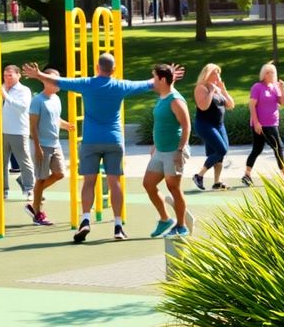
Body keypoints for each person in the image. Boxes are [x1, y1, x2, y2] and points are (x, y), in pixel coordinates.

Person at [23, 54, 183, 243]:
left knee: (89, 182)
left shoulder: (87, 83)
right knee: (114, 182)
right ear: (113, 70)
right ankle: (118, 225)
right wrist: (169, 75)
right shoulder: (120, 86)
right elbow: (148, 83)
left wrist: (39, 74)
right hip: (113, 140)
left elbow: (59, 81)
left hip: (91, 140)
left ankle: (85, 220)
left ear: (97, 67)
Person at [144, 64, 192, 238]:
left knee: (173, 188)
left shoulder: (175, 100)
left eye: (154, 78)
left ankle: (181, 226)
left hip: (173, 151)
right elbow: (161, 124)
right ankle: (165, 219)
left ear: (162, 80)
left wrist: (180, 151)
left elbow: (186, 126)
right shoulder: (163, 96)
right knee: (148, 184)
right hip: (160, 151)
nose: (152, 81)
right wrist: (155, 145)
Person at [25, 67, 71, 225]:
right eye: (54, 80)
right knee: (40, 178)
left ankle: (35, 199)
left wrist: (67, 125)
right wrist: (37, 147)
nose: (58, 83)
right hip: (43, 145)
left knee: (60, 173)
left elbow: (56, 119)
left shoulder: (56, 99)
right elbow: (33, 126)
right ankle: (37, 213)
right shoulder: (38, 100)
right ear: (45, 81)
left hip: (55, 144)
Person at [242, 62, 284, 186]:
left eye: (273, 72)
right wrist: (256, 123)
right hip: (261, 125)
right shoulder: (257, 87)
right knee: (274, 148)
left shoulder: (275, 87)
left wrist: (282, 88)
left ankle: (247, 174)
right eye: (268, 72)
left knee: (265, 149)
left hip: (272, 123)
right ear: (263, 74)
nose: (271, 74)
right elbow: (252, 105)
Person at [190, 64, 236, 191]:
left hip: (219, 125)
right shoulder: (201, 88)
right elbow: (204, 106)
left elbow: (231, 105)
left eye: (219, 73)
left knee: (219, 153)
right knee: (222, 150)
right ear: (207, 74)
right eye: (215, 73)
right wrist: (211, 91)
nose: (218, 76)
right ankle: (199, 176)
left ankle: (217, 182)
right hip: (205, 125)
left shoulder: (218, 89)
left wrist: (223, 89)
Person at [0, 64, 34, 200]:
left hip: (18, 131)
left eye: (10, 75)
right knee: (1, 162)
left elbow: (22, 107)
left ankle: (30, 189)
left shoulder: (24, 90)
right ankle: (2, 190)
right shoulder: (2, 89)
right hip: (3, 131)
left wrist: (6, 96)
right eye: (5, 75)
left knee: (24, 161)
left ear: (18, 75)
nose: (7, 78)